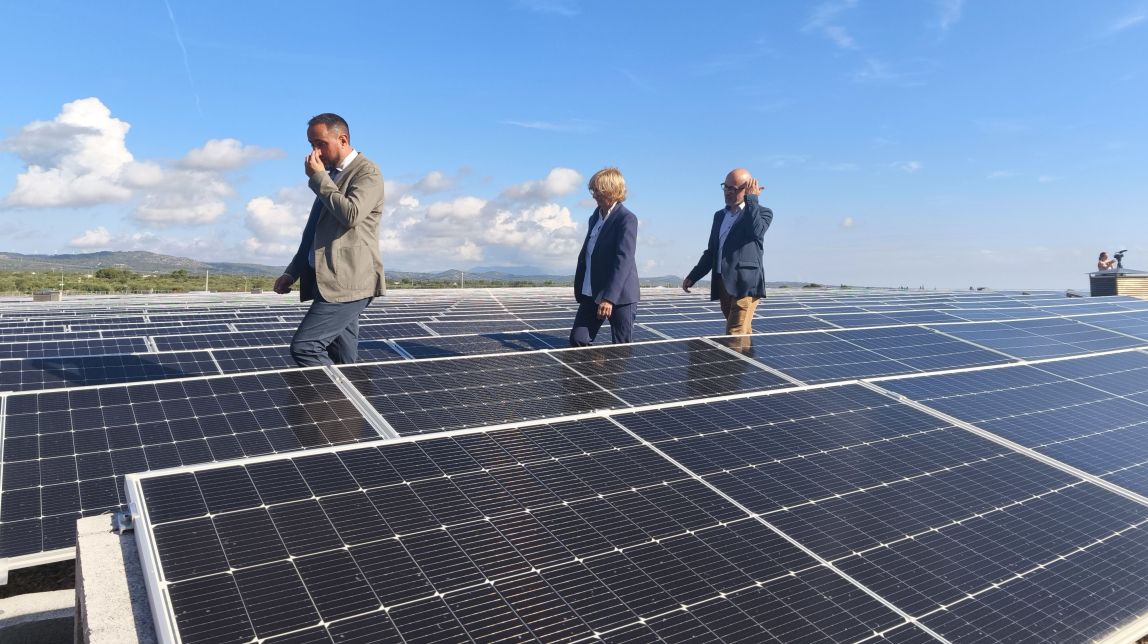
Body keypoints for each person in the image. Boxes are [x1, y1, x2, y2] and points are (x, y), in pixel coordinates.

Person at [273, 113, 386, 366]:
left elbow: (351, 215)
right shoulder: (332, 175)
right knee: (343, 358)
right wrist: (293, 272)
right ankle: (347, 402)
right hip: (332, 281)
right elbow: (313, 232)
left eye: (320, 143)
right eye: (312, 145)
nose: (315, 152)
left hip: (349, 281)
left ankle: (332, 403)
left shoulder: (367, 172)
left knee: (306, 347)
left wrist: (318, 178)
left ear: (342, 139)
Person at [681, 167, 774, 335]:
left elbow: (755, 231)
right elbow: (712, 251)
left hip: (745, 286)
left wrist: (752, 200)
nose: (727, 192)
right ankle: (746, 360)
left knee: (734, 334)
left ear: (747, 189)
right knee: (743, 334)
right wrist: (693, 276)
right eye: (726, 187)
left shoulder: (762, 213)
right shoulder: (719, 216)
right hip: (723, 284)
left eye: (733, 188)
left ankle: (735, 361)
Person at [570, 167, 639, 346]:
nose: (593, 195)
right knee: (578, 340)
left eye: (597, 190)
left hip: (620, 297)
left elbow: (623, 259)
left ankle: (608, 373)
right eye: (592, 190)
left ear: (611, 190)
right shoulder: (594, 217)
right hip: (591, 293)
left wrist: (609, 298)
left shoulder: (626, 219)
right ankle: (596, 370)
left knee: (621, 346)